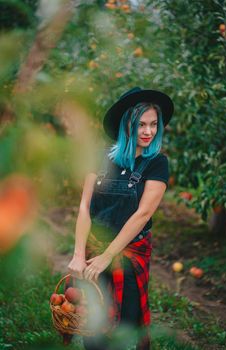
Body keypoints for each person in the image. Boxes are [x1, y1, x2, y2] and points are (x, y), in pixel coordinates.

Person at [67, 86, 174, 349]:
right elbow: (84, 206)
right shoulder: (101, 158)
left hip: (128, 254)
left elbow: (143, 214)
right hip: (94, 249)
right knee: (92, 323)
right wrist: (79, 253)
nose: (149, 132)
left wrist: (108, 257)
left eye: (153, 125)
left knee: (125, 323)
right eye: (141, 125)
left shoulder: (156, 163)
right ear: (127, 125)